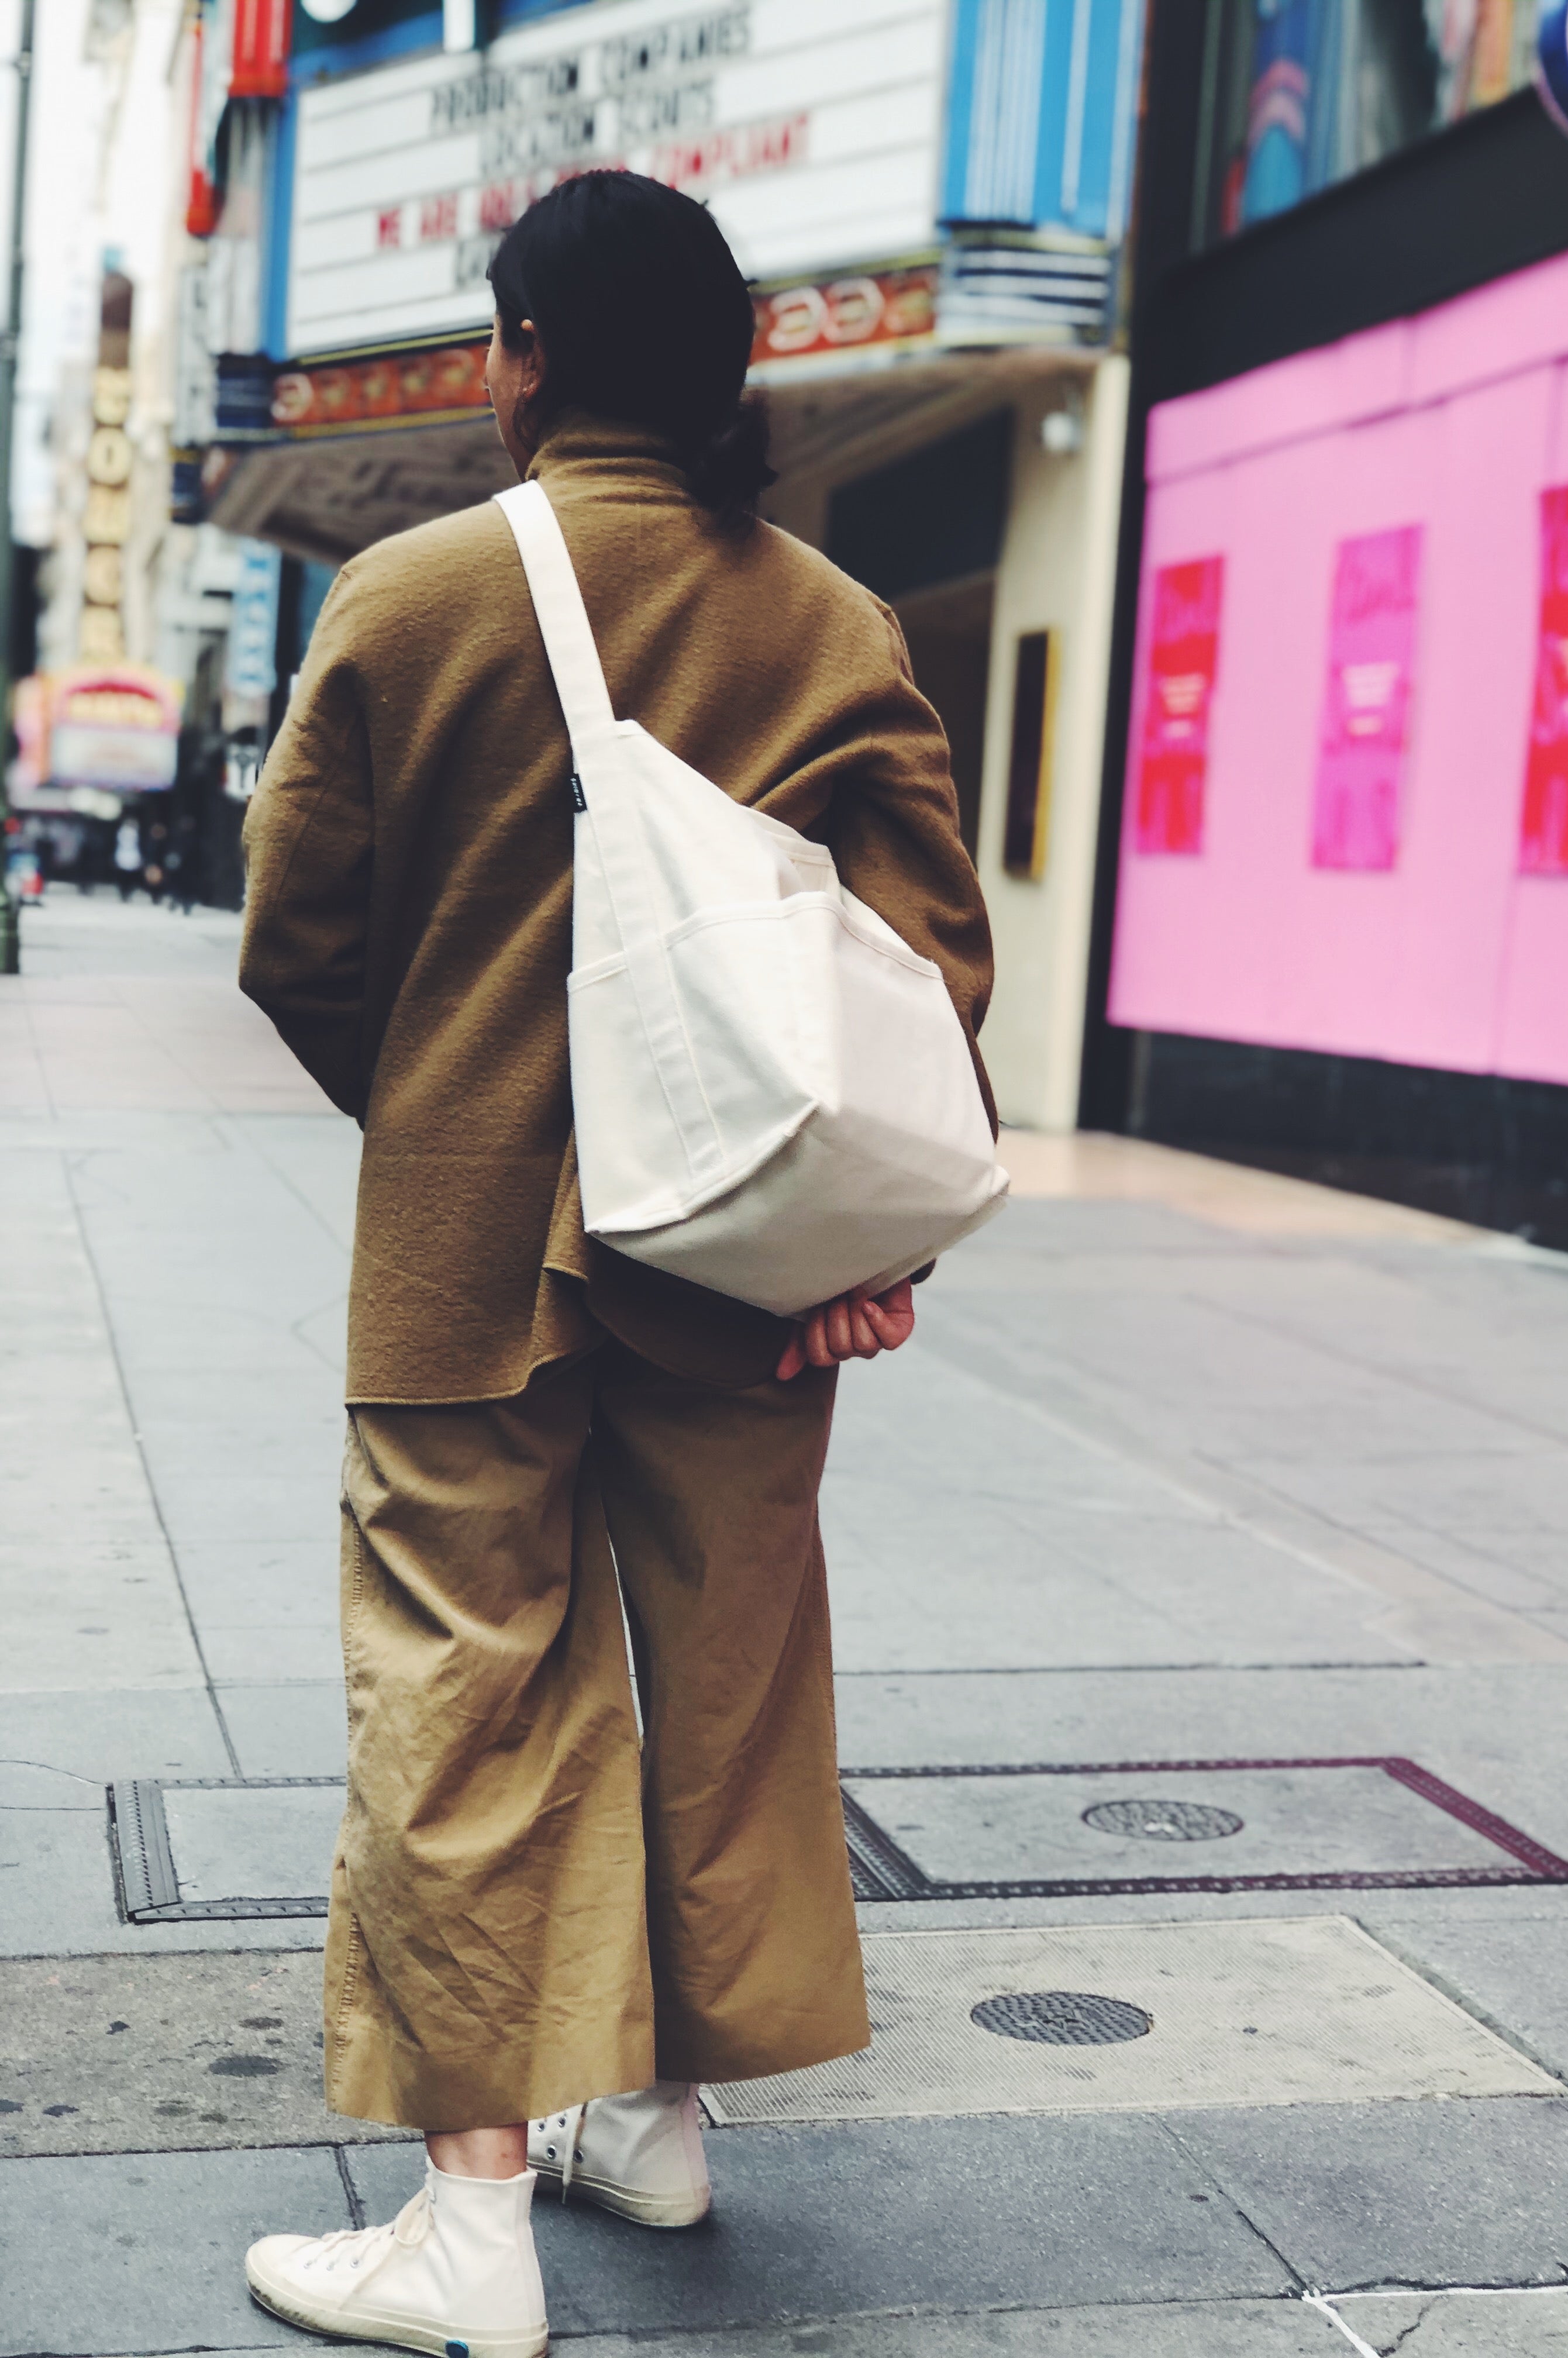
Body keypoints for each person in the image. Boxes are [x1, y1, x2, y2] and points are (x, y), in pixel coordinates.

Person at [235, 171, 994, 2357]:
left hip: (468, 1261)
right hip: (748, 1269)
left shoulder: (407, 598)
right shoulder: (835, 625)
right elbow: (933, 966)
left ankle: (471, 2232)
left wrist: (446, 1116)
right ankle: (655, 2124)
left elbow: (298, 942)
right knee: (725, 1688)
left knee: (463, 1691)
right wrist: (849, 1232)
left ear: (529, 360)